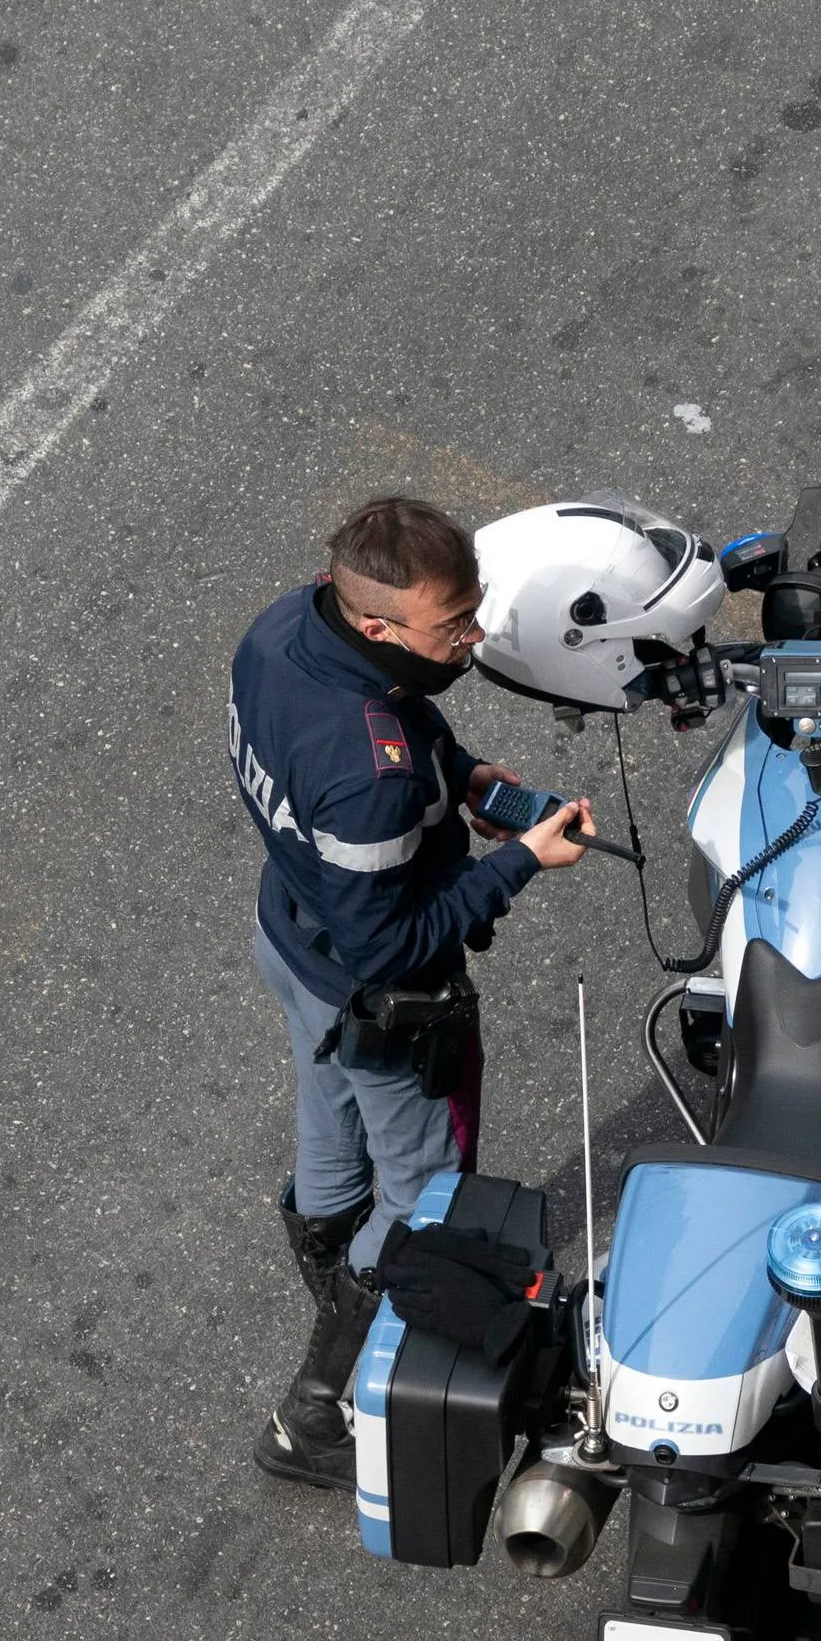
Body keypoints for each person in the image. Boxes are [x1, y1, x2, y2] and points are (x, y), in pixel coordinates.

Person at [227, 496, 596, 1489]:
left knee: (330, 1136)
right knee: (426, 1195)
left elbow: (389, 709)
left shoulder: (288, 626)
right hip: (381, 997)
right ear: (380, 622)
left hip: (293, 942)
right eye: (455, 625)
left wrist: (458, 770)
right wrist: (518, 860)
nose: (473, 638)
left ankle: (338, 1280)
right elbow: (393, 948)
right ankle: (321, 1409)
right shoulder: (370, 777)